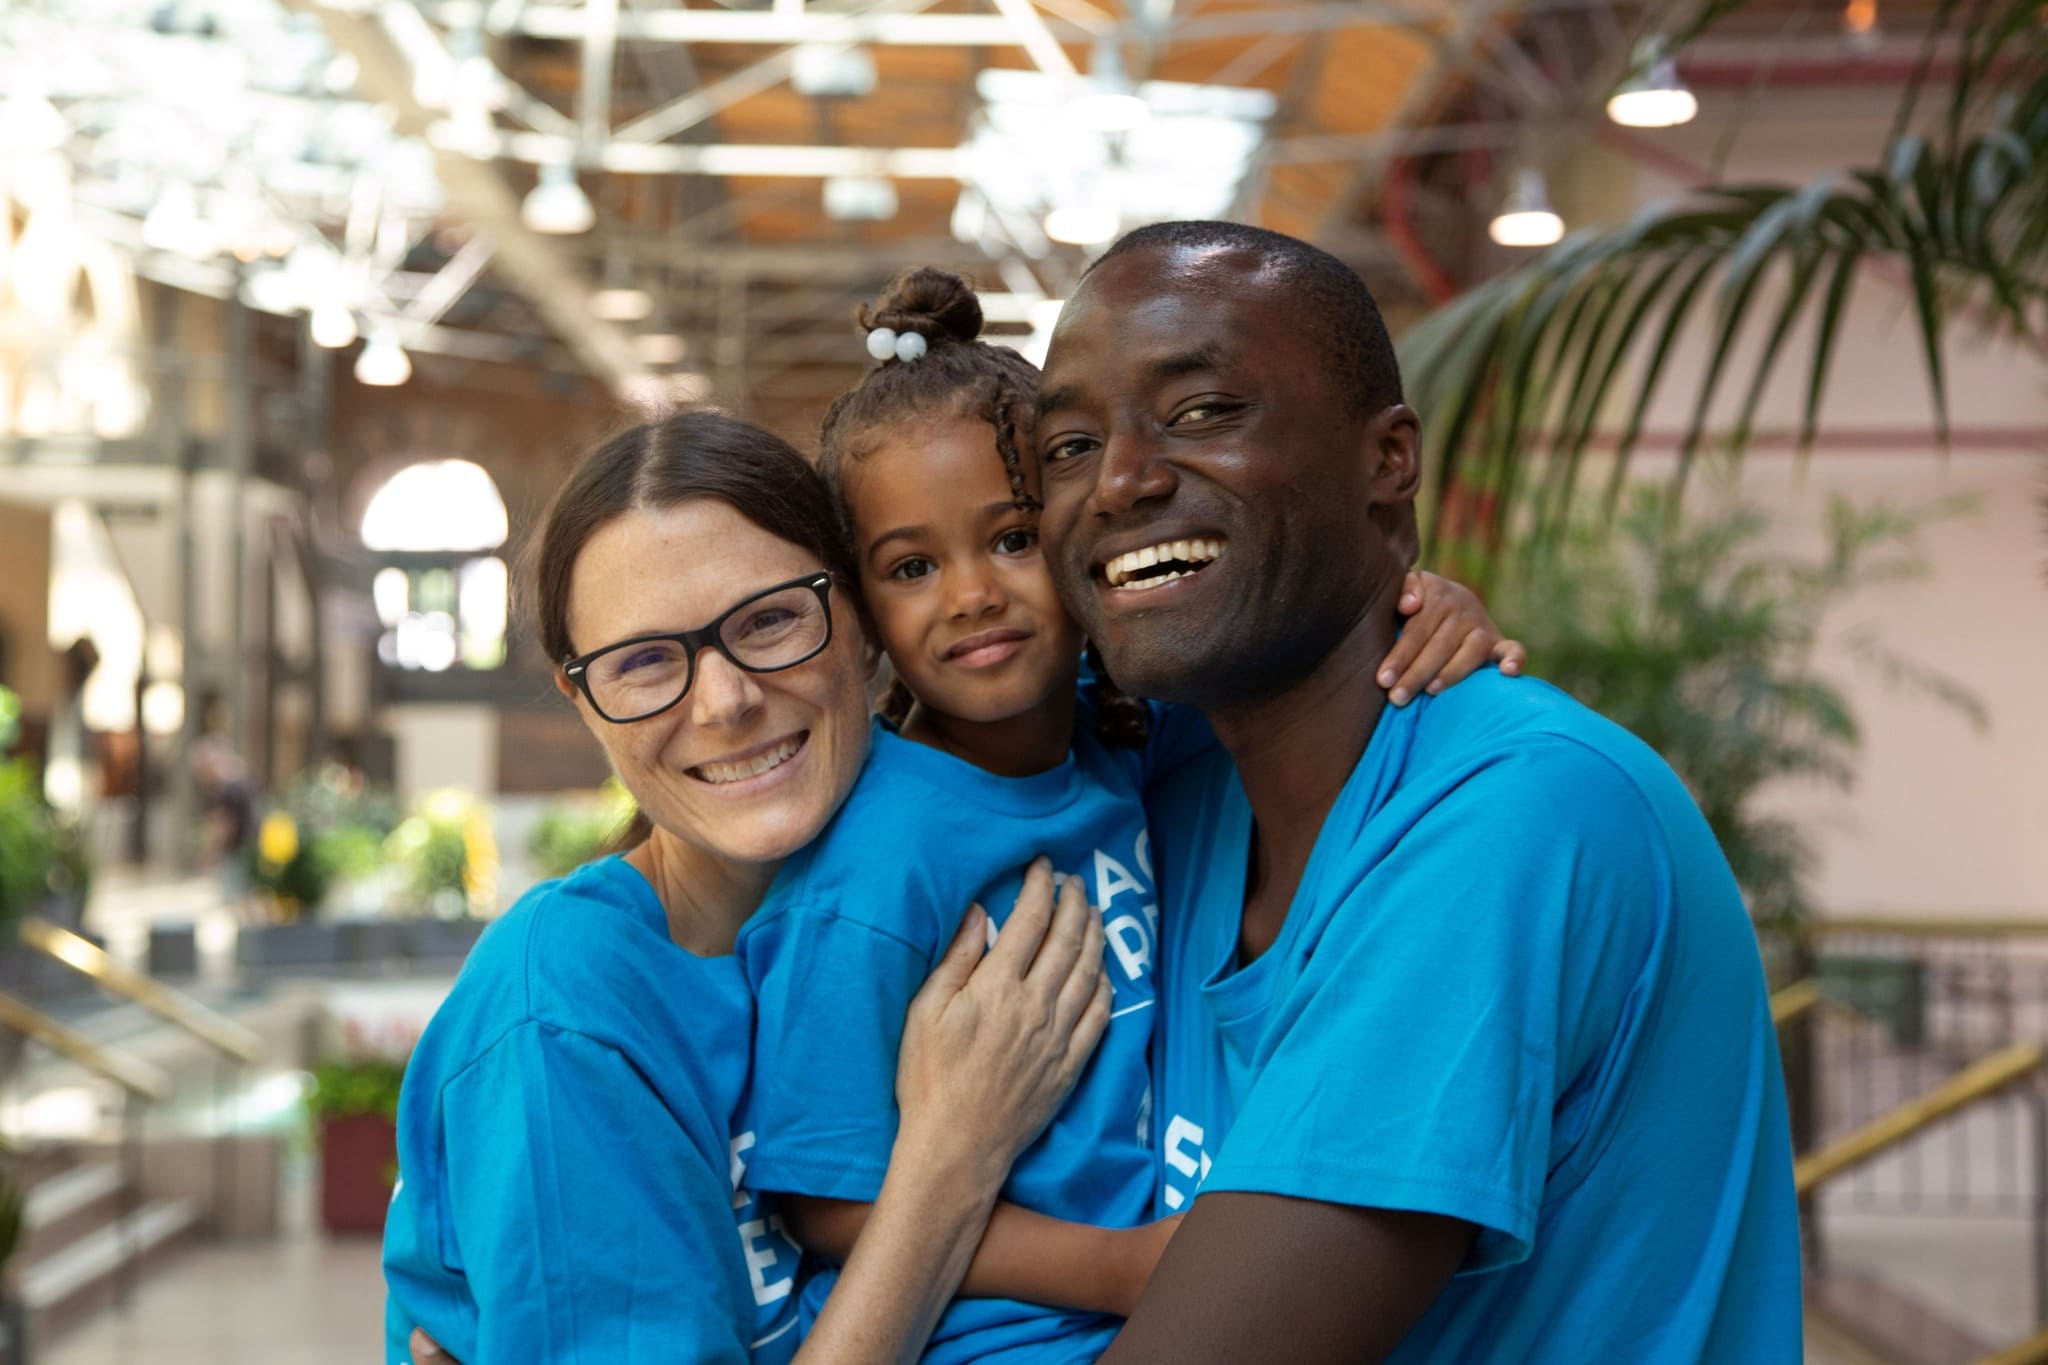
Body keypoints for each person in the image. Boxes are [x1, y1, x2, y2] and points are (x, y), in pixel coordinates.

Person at [1028, 221, 1802, 1362]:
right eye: (1068, 445)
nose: (1120, 480)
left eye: (1201, 413)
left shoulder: (1513, 815)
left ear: (1386, 460)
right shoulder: (1183, 791)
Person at [734, 268, 1525, 1364]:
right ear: (865, 619)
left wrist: (1421, 598)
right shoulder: (875, 863)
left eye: (1010, 538)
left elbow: (1309, 676)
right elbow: (824, 1202)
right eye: (912, 566)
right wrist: (1121, 1266)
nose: (970, 594)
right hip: (992, 1341)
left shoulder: (1142, 747)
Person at [382, 412, 1116, 1365]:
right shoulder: (563, 1015)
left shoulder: (993, 828)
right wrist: (951, 1157)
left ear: (861, 625)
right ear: (584, 705)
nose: (724, 700)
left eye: (770, 619)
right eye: (644, 662)